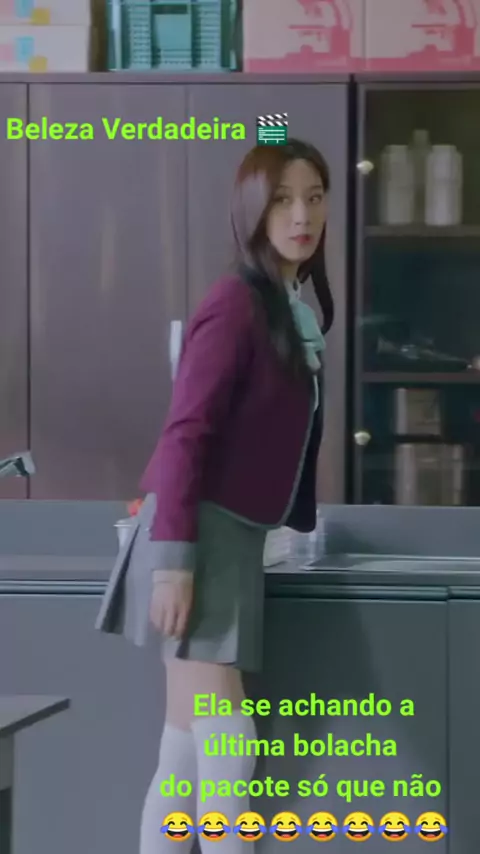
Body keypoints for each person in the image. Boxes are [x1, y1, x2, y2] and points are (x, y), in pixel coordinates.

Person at [138, 138, 334, 854]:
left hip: (227, 538)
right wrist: (173, 565)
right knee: (228, 747)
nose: (301, 215)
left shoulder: (284, 305)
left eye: (314, 197)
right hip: (197, 539)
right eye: (282, 200)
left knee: (185, 752)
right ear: (252, 209)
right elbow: (185, 432)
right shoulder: (236, 303)